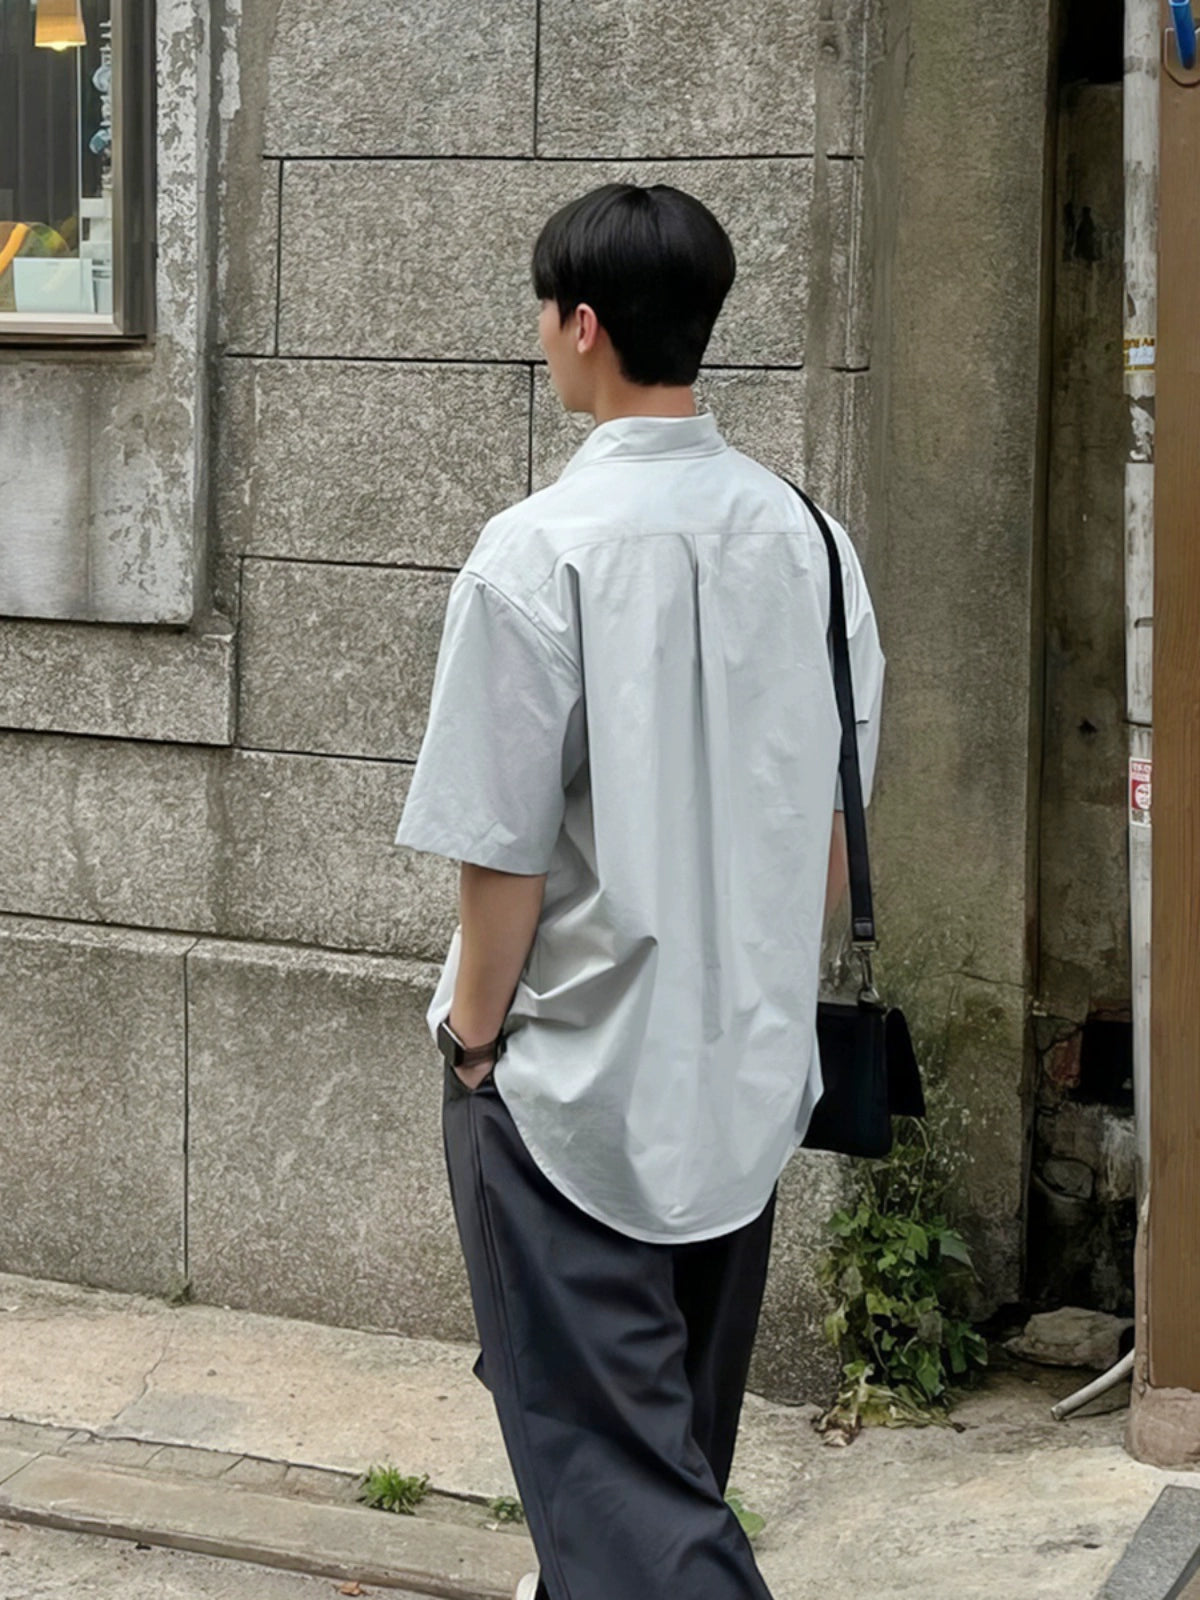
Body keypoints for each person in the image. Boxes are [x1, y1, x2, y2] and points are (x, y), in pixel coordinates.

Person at [395, 182, 885, 1600]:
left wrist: (472, 1044)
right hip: (746, 1081)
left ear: (584, 325)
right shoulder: (813, 544)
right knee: (666, 1460)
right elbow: (837, 836)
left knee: (626, 1501)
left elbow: (501, 855)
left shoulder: (535, 553)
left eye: (546, 310)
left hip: (572, 1088)